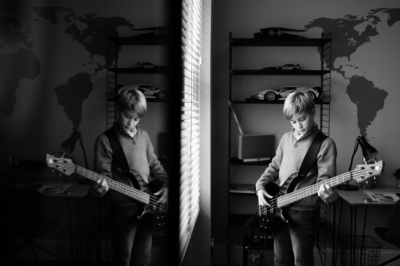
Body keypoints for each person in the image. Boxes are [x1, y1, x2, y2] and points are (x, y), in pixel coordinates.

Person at [255, 91, 338, 266]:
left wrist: (327, 193)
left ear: (313, 112)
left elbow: (325, 180)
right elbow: (274, 167)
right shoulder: (286, 138)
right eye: (293, 121)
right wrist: (260, 187)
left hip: (305, 213)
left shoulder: (324, 143)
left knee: (302, 261)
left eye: (302, 119)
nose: (298, 125)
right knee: (280, 259)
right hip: (279, 206)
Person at [90, 85, 168, 266]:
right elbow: (103, 174)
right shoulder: (105, 140)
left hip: (147, 204)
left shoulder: (144, 136)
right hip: (122, 208)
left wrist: (166, 185)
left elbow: (155, 165)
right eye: (127, 116)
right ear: (118, 111)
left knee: (144, 257)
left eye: (136, 119)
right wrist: (100, 187)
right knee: (122, 257)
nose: (130, 123)